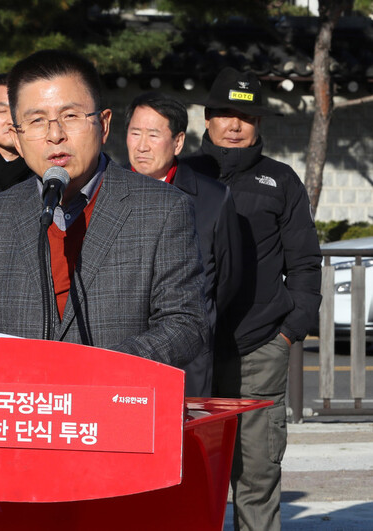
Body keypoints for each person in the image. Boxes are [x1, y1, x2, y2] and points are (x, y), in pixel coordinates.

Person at [0, 49, 207, 370]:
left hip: (116, 406)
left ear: (103, 123)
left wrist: (97, 369)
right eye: (37, 120)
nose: (55, 135)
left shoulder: (162, 209)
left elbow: (184, 324)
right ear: (17, 137)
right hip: (26, 411)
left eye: (70, 116)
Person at [180, 67, 321, 531]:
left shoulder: (280, 181)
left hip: (261, 346)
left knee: (257, 471)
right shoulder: (183, 175)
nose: (234, 125)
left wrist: (289, 330)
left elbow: (304, 262)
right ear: (208, 118)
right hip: (190, 347)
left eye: (245, 116)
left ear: (258, 123)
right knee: (189, 469)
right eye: (225, 114)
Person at [125, 91, 242, 397]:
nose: (141, 146)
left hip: (187, 350)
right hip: (121, 348)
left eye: (153, 134)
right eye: (135, 133)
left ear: (177, 142)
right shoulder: (103, 193)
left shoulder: (213, 198)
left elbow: (228, 280)